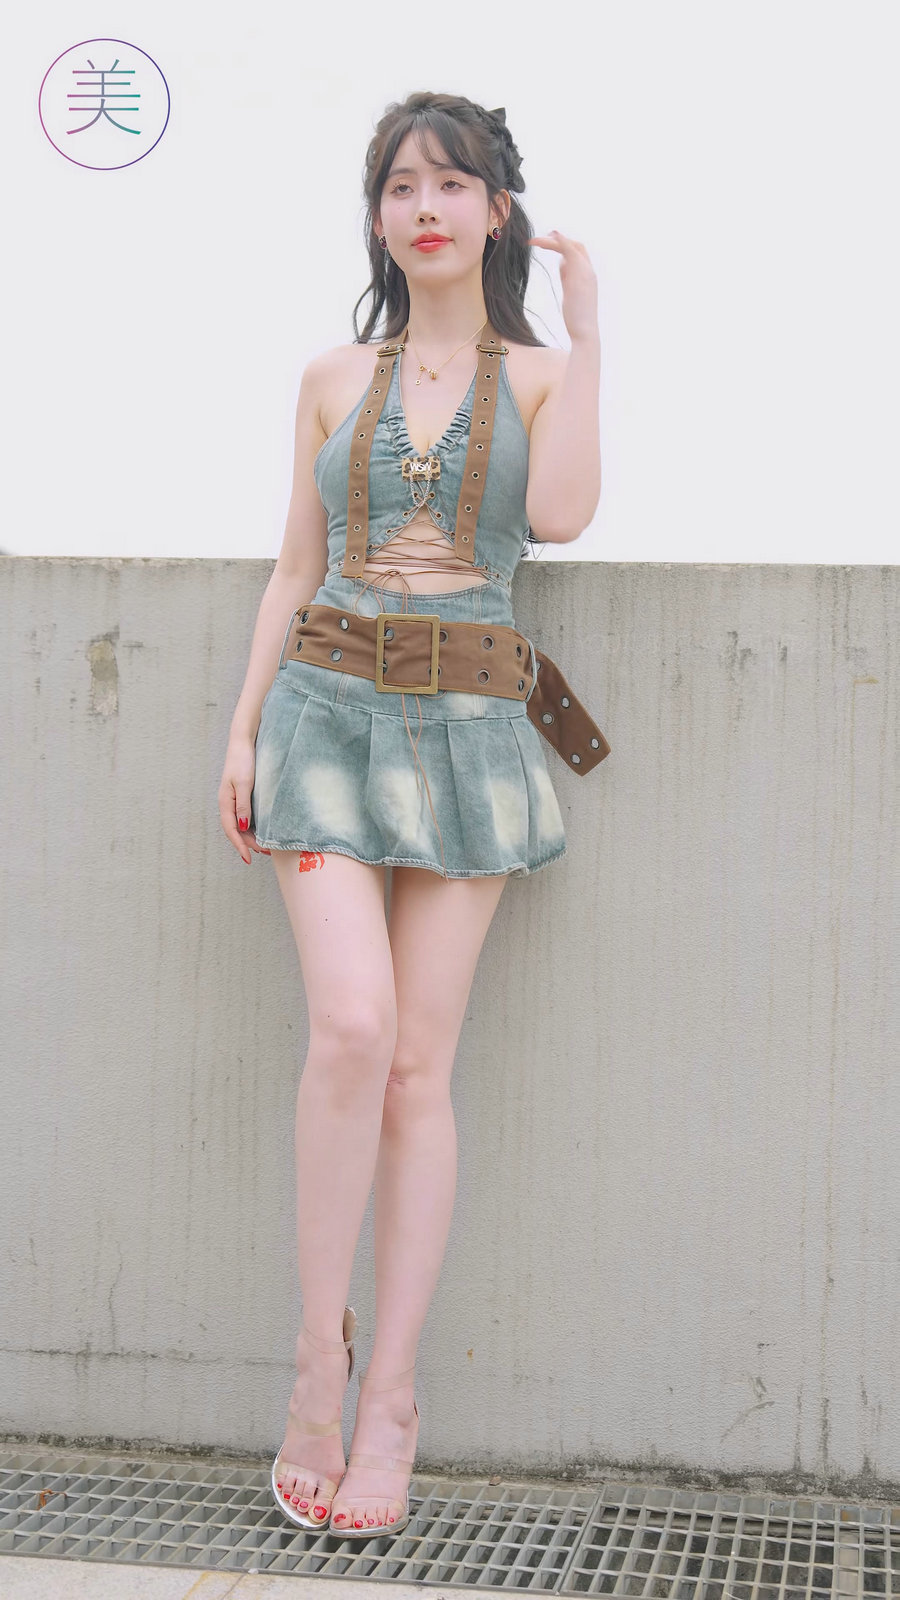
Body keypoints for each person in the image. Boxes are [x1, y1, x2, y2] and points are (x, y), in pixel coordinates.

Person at [217, 89, 603, 1540]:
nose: (424, 207)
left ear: (497, 212)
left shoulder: (545, 378)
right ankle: (318, 1362)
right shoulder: (331, 375)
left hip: (471, 733)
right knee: (353, 1028)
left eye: (452, 184)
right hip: (322, 715)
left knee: (418, 1068)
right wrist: (242, 729)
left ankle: (393, 1399)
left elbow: (560, 519)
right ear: (377, 216)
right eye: (400, 185)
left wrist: (593, 334)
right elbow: (292, 564)